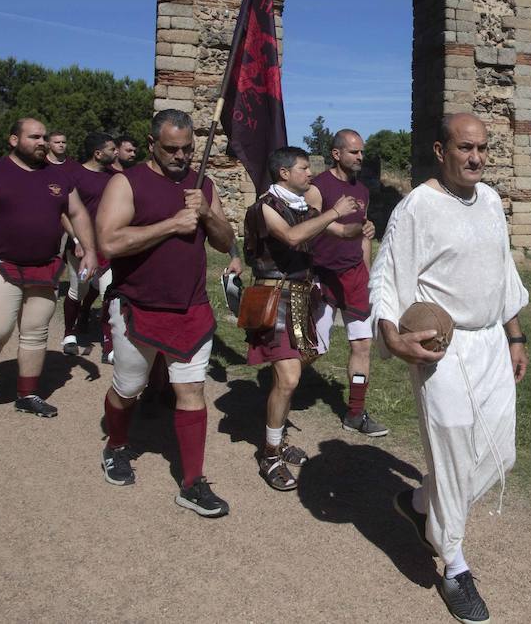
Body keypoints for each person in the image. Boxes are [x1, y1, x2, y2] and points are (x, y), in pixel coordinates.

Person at [371, 113, 529, 624]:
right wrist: (394, 338)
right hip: (444, 351)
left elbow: (503, 273)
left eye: (482, 148)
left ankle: (421, 504)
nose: (476, 158)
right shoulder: (418, 206)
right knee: (454, 451)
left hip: (491, 346)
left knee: (499, 454)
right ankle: (454, 565)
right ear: (441, 151)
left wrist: (515, 334)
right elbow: (389, 276)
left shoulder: (489, 200)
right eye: (465, 148)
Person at [96, 109, 235, 517]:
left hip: (191, 307)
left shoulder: (203, 184)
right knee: (129, 388)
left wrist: (207, 213)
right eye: (172, 148)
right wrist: (170, 225)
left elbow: (226, 241)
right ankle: (116, 445)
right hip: (138, 306)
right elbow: (110, 242)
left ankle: (193, 482)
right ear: (152, 142)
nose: (181, 156)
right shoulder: (127, 182)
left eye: (188, 148)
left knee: (191, 390)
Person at [0, 118, 97, 419]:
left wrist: (90, 249)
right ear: (14, 140)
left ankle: (27, 394)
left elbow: (77, 212)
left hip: (44, 265)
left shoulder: (58, 176)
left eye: (44, 137)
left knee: (35, 333)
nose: (41, 142)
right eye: (34, 137)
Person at [244, 146, 360, 491]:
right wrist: (333, 211)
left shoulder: (299, 207)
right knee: (290, 378)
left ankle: (276, 440)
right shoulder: (265, 208)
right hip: (275, 300)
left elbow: (331, 232)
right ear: (284, 173)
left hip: (300, 298)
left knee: (296, 370)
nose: (310, 174)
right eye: (304, 168)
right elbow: (294, 237)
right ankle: (269, 453)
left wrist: (358, 228)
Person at [311, 129, 386, 436]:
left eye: (362, 152)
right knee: (313, 348)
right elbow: (307, 228)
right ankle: (283, 388)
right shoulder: (317, 187)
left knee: (362, 344)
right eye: (354, 152)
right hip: (322, 274)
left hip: (355, 275)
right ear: (337, 153)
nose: (360, 157)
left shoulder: (362, 191)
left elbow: (364, 236)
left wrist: (366, 275)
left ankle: (355, 412)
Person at [60, 132, 117, 356]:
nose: (116, 152)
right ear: (98, 153)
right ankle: (69, 333)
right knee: (79, 289)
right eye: (112, 149)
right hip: (80, 248)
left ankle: (109, 345)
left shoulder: (115, 177)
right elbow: (64, 212)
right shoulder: (74, 175)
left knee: (109, 293)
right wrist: (77, 240)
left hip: (107, 248)